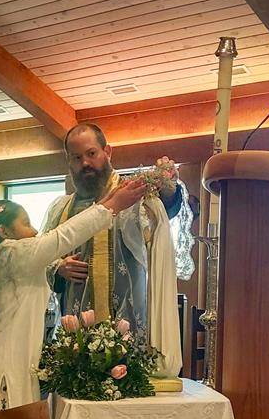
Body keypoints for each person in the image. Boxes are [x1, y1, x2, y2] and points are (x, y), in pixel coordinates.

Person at [0, 180, 146, 419]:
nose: (35, 231)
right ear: (3, 232)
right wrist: (111, 206)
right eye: (26, 223)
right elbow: (62, 237)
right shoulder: (11, 252)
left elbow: (32, 267)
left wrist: (58, 266)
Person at [43, 123, 183, 377]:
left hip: (130, 317)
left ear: (107, 151)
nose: (85, 163)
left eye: (91, 153)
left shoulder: (131, 194)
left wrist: (168, 190)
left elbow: (162, 212)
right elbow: (40, 257)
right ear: (69, 163)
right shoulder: (60, 209)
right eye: (76, 158)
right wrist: (58, 267)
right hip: (78, 328)